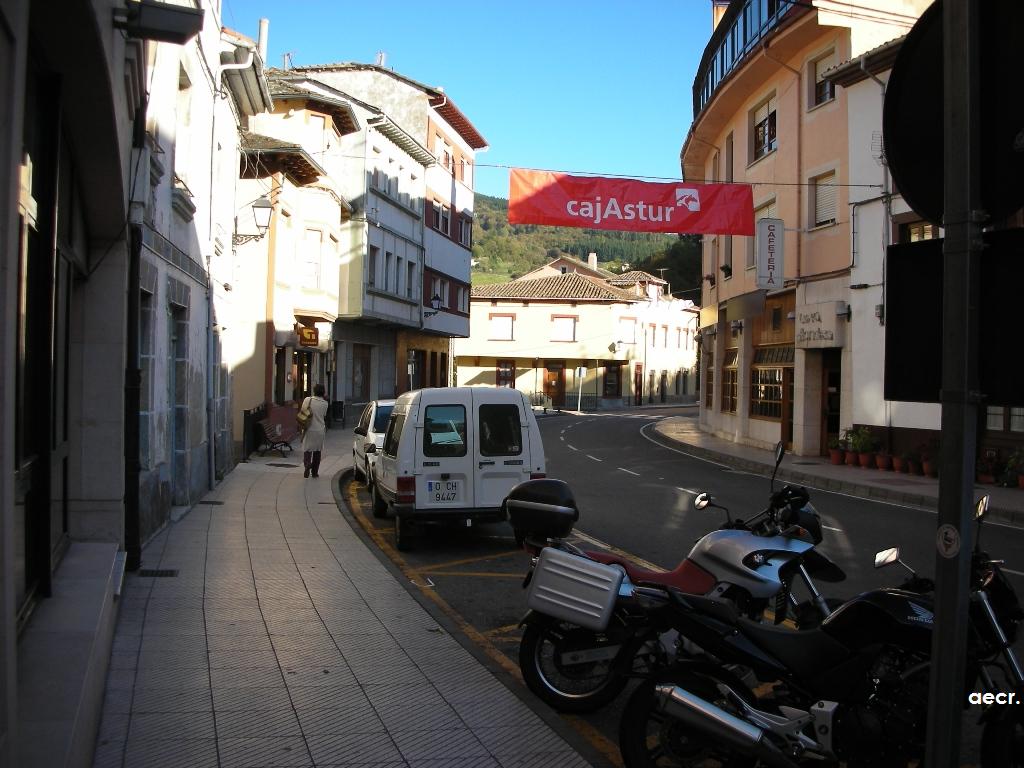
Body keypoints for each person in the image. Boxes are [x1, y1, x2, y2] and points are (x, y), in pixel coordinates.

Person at [300, 384, 329, 478]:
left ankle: (307, 464)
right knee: (317, 451)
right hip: (320, 430)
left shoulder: (308, 400)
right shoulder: (325, 403)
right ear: (323, 392)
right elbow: (323, 416)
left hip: (308, 429)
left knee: (307, 449)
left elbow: (303, 411)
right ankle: (315, 472)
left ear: (314, 391)